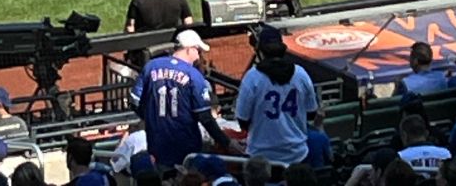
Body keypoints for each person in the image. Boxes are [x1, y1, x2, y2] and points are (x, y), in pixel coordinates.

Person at [130, 29, 235, 168]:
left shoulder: (151, 66)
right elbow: (205, 117)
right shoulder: (194, 75)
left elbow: (134, 100)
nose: (198, 56)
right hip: (187, 148)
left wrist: (150, 118)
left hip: (156, 144)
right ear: (189, 49)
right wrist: (226, 143)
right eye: (197, 50)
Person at [235, 24, 318, 165]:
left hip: (262, 158)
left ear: (260, 51)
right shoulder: (300, 74)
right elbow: (311, 113)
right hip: (297, 154)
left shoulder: (252, 78)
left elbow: (243, 120)